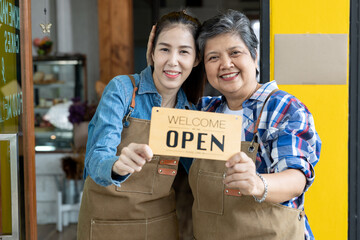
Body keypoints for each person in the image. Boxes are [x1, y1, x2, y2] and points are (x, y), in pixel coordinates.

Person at [188, 10, 321, 240]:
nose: (225, 64)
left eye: (235, 53)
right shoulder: (204, 111)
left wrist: (258, 183)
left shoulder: (283, 107)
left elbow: (296, 178)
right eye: (213, 57)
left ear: (254, 56)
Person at [77, 11, 203, 240]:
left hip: (158, 225)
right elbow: (96, 157)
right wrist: (118, 165)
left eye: (183, 51)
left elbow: (200, 173)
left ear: (196, 60)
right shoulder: (122, 90)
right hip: (105, 223)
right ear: (152, 52)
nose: (172, 61)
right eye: (164, 49)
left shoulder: (190, 114)